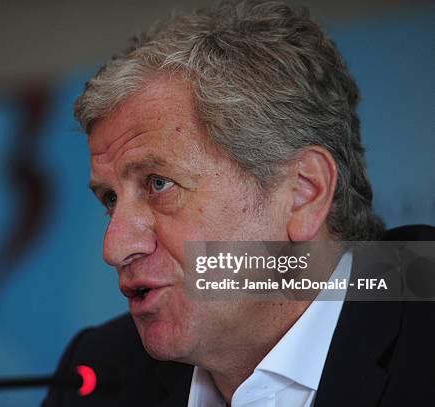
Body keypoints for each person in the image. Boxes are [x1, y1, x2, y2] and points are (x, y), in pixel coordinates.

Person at [43, 1, 435, 406]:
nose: (115, 248)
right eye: (110, 198)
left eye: (159, 183)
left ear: (304, 192)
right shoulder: (98, 374)